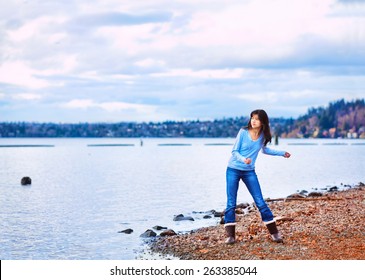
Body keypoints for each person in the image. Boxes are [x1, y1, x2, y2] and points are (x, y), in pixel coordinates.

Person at [224, 109, 291, 244]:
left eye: (256, 119)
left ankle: (275, 233)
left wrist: (282, 153)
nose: (253, 121)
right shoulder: (243, 132)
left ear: (262, 122)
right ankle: (230, 237)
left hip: (249, 172)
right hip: (233, 169)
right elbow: (234, 151)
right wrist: (243, 159)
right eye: (252, 118)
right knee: (231, 203)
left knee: (260, 201)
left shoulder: (262, 136)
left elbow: (265, 150)